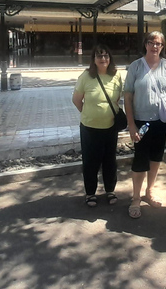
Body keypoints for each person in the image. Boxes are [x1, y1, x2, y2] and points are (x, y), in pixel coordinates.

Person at [124, 31, 166, 219]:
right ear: (145, 44)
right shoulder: (136, 67)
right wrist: (131, 124)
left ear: (163, 47)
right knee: (140, 158)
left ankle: (150, 191)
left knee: (156, 158)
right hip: (141, 121)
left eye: (159, 44)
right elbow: (128, 96)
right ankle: (136, 197)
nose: (155, 46)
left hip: (162, 121)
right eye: (151, 42)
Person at [72, 44, 124, 207]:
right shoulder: (86, 76)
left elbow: (116, 100)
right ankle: (90, 193)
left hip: (110, 127)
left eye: (106, 56)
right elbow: (76, 100)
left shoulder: (116, 76)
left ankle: (110, 190)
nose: (103, 59)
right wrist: (89, 113)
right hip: (90, 128)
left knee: (110, 160)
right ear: (93, 59)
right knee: (90, 161)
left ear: (110, 58)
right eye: (99, 56)